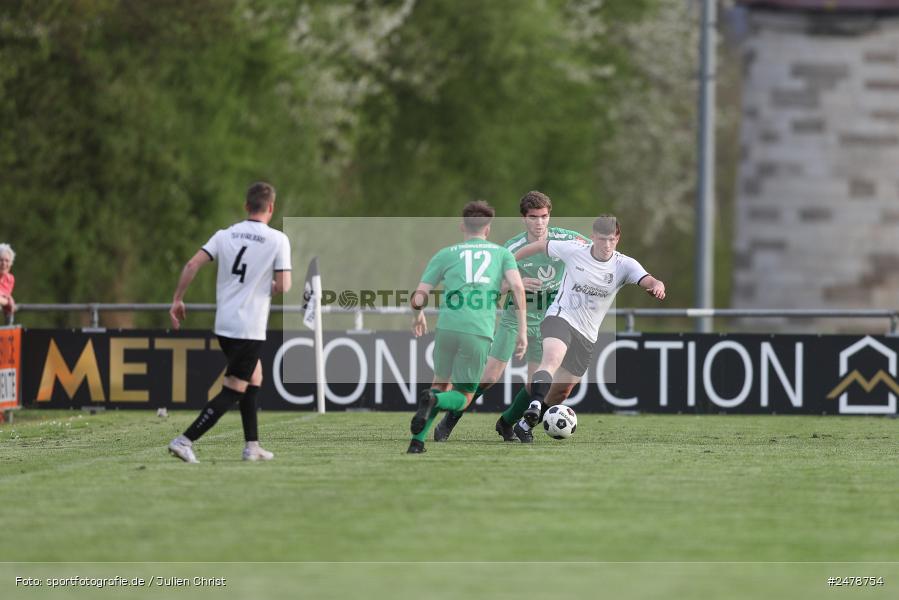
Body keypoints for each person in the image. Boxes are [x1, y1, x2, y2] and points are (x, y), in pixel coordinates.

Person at [432, 191, 589, 443]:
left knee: (534, 385)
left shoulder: (566, 239)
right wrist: (516, 283)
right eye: (534, 217)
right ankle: (450, 420)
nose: (540, 223)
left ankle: (507, 423)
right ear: (523, 219)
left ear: (550, 216)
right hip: (515, 318)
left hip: (550, 320)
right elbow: (492, 286)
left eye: (544, 217)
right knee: (490, 376)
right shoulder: (512, 248)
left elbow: (594, 249)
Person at [167, 182, 292, 463]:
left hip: (225, 324)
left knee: (254, 376)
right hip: (250, 327)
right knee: (234, 388)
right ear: (271, 207)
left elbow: (191, 264)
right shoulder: (277, 240)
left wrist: (177, 299)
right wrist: (266, 287)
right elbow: (284, 285)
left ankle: (252, 446)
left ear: (247, 206)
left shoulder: (225, 235)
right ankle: (184, 440)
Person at [512, 214, 665, 436]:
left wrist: (658, 286)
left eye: (611, 239)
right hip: (560, 317)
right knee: (552, 359)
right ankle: (535, 406)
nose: (606, 244)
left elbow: (650, 280)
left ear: (618, 238)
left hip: (587, 334)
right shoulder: (574, 249)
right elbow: (539, 246)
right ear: (592, 237)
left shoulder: (624, 264)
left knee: (562, 391)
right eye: (602, 239)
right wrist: (511, 263)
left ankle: (524, 425)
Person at [407, 200, 528, 454]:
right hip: (477, 330)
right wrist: (522, 330)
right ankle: (435, 402)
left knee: (439, 383)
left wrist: (418, 315)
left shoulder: (446, 254)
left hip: (447, 327)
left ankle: (417, 442)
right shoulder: (502, 254)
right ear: (488, 229)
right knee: (463, 396)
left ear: (462, 226)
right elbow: (517, 287)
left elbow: (419, 297)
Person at [0, 244, 16, 319]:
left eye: (7, 261)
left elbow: (5, 295)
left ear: (11, 263)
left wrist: (9, 298)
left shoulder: (10, 279)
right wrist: (8, 302)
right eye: (1, 260)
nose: (4, 264)